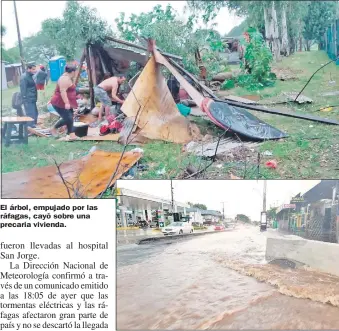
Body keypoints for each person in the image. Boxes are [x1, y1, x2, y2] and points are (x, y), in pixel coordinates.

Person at [49, 65, 79, 141]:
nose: (76, 73)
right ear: (73, 72)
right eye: (76, 71)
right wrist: (66, 103)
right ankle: (54, 129)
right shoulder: (64, 79)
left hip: (65, 102)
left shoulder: (68, 78)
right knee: (68, 118)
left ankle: (70, 134)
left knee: (69, 118)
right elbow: (63, 91)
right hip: (60, 102)